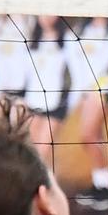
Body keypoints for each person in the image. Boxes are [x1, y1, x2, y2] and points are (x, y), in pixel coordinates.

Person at [67, 0, 108, 211]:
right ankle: (103, 183)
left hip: (106, 87)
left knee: (88, 135)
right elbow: (76, 63)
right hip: (87, 90)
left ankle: (106, 185)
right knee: (94, 136)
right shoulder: (82, 30)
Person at [22, 14, 73, 167]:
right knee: (30, 152)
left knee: (43, 152)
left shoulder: (68, 39)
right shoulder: (31, 38)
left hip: (56, 102)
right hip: (32, 102)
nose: (46, 18)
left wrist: (71, 101)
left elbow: (78, 75)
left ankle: (47, 188)